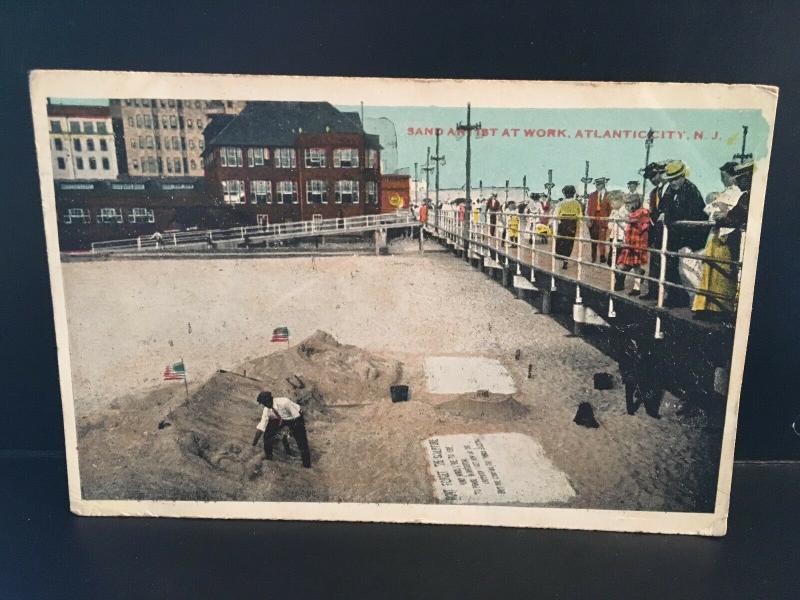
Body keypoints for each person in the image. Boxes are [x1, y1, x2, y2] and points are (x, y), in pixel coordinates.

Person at [692, 161, 750, 318]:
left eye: (725, 176)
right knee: (710, 269)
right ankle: (707, 305)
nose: (723, 180)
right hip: (718, 234)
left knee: (723, 271)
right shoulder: (728, 192)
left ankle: (720, 307)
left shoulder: (739, 193)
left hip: (728, 235)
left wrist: (723, 211)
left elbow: (733, 214)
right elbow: (711, 209)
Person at [657, 160, 707, 307]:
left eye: (675, 179)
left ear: (682, 176)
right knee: (672, 268)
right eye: (670, 179)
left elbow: (688, 214)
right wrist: (663, 213)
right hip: (677, 237)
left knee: (689, 272)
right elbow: (662, 206)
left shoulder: (691, 190)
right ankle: (675, 298)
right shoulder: (671, 190)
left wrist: (667, 215)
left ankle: (696, 303)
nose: (672, 182)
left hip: (692, 239)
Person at [252, 391, 311, 468]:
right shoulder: (267, 410)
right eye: (264, 403)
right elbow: (260, 428)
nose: (266, 405)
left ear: (271, 399)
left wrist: (289, 430)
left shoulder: (284, 402)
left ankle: (306, 465)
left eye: (266, 402)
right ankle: (269, 457)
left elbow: (296, 416)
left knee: (302, 442)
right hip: (279, 418)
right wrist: (253, 444)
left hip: (295, 417)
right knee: (267, 436)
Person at [640, 161, 670, 300]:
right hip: (656, 230)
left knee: (667, 263)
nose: (652, 179)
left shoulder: (668, 187)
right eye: (649, 177)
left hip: (667, 230)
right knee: (654, 262)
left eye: (653, 176)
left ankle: (668, 293)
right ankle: (653, 291)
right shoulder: (654, 192)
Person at [614, 191, 650, 296]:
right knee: (622, 266)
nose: (627, 207)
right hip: (630, 243)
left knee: (635, 266)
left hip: (638, 243)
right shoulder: (634, 214)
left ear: (635, 203)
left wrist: (625, 218)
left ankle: (636, 288)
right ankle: (633, 280)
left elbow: (641, 225)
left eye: (628, 204)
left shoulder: (642, 212)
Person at [554, 185, 583, 269]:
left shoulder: (561, 203)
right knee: (569, 242)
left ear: (564, 194)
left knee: (561, 241)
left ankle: (561, 258)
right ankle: (566, 260)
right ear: (573, 193)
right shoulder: (576, 203)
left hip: (563, 223)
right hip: (572, 223)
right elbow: (580, 215)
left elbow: (556, 214)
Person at [586, 177, 612, 263]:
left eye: (599, 184)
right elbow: (589, 209)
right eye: (596, 184)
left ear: (603, 184)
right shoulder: (592, 195)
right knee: (593, 240)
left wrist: (608, 220)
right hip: (593, 220)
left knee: (602, 239)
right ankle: (593, 257)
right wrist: (589, 220)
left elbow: (610, 209)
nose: (597, 186)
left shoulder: (609, 195)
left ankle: (602, 256)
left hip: (603, 220)